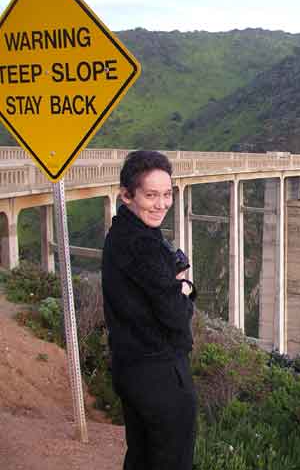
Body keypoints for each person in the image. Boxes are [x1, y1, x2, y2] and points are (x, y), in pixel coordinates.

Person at [102, 150, 197, 470]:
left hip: (130, 368)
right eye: (151, 195)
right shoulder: (144, 246)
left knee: (141, 456)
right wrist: (185, 288)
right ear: (127, 195)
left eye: (167, 194)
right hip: (161, 374)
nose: (162, 204)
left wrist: (172, 284)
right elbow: (176, 316)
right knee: (172, 460)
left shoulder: (120, 233)